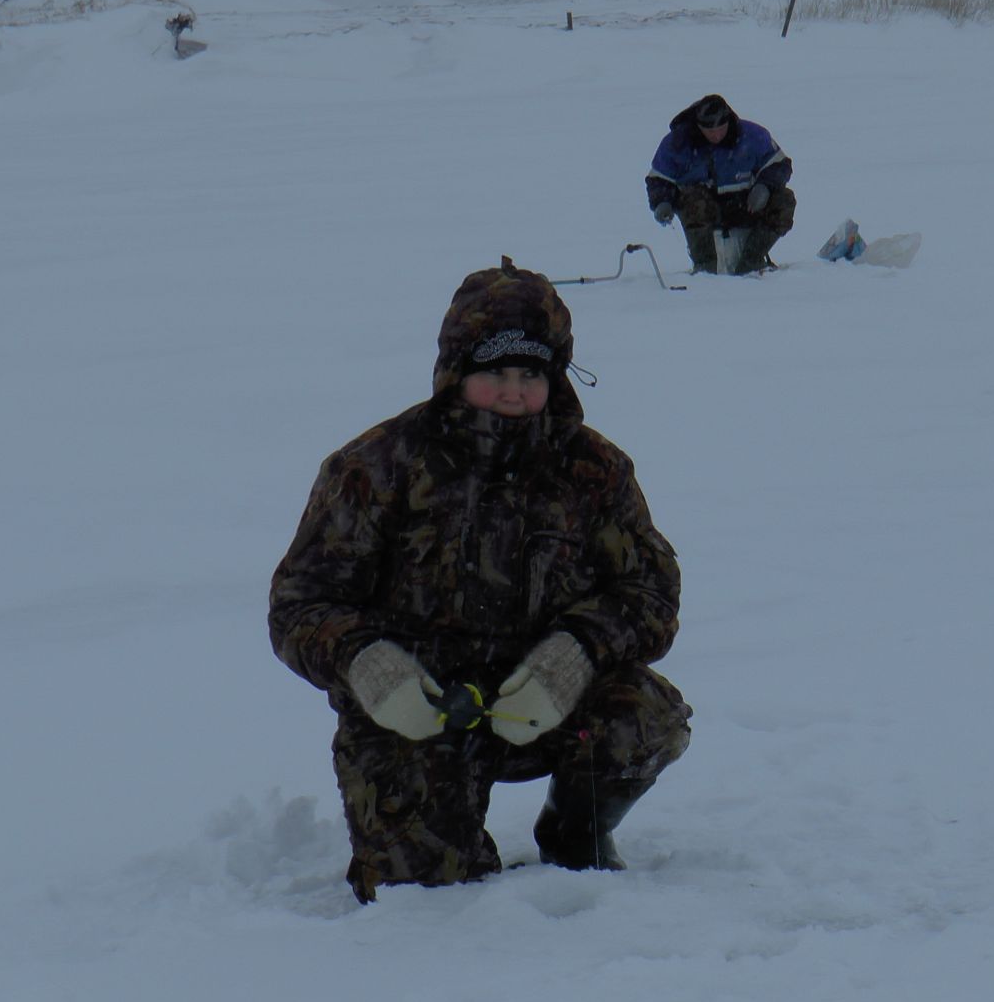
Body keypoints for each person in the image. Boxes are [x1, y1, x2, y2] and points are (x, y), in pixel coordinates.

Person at [269, 258, 691, 904]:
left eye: (531, 374)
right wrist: (372, 667)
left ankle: (577, 836)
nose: (514, 392)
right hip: (417, 714)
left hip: (544, 703)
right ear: (456, 372)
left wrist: (572, 656)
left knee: (645, 715)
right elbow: (302, 602)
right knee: (425, 897)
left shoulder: (595, 467)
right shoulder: (376, 466)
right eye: (494, 373)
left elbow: (649, 592)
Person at [645, 93, 795, 275]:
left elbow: (779, 164)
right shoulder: (676, 143)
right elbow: (658, 179)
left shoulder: (753, 136)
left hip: (745, 203)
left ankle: (752, 260)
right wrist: (662, 202)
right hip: (702, 210)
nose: (716, 135)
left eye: (721, 128)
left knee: (784, 200)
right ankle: (706, 267)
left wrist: (765, 186)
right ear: (698, 126)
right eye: (709, 130)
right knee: (694, 200)